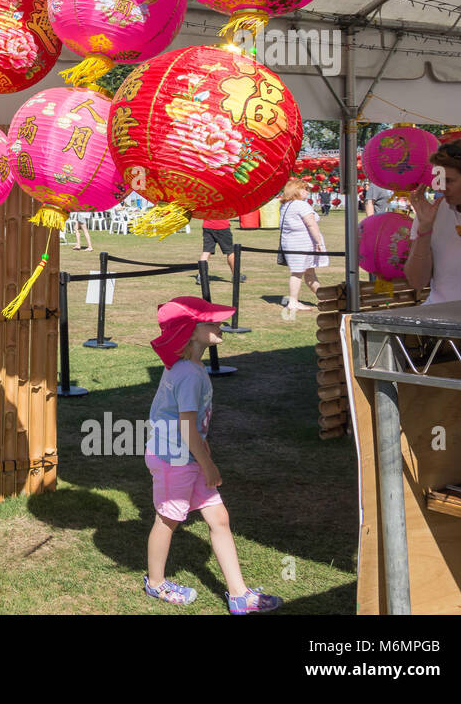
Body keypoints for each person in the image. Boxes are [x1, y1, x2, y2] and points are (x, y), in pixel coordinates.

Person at [143, 297, 283, 613]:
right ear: (191, 331)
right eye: (212, 322)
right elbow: (186, 426)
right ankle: (155, 583)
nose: (221, 325)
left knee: (219, 519)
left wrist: (202, 456)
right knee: (168, 519)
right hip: (174, 460)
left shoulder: (190, 367)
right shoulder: (189, 375)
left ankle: (239, 595)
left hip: (188, 456)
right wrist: (207, 463)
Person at [404, 138, 461, 304]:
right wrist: (425, 228)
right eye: (438, 180)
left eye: (449, 180)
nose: (441, 188)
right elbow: (417, 282)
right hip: (442, 318)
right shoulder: (432, 213)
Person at [279, 179, 328, 312]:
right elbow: (311, 224)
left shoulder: (286, 205)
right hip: (301, 244)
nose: (307, 191)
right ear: (297, 190)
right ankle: (293, 301)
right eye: (305, 188)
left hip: (291, 243)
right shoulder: (301, 205)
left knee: (309, 273)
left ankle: (325, 299)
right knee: (298, 273)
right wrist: (319, 242)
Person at [197, 217, 245, 285]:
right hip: (222, 226)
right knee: (230, 251)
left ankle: (201, 277)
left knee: (206, 251)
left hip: (207, 226)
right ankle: (236, 276)